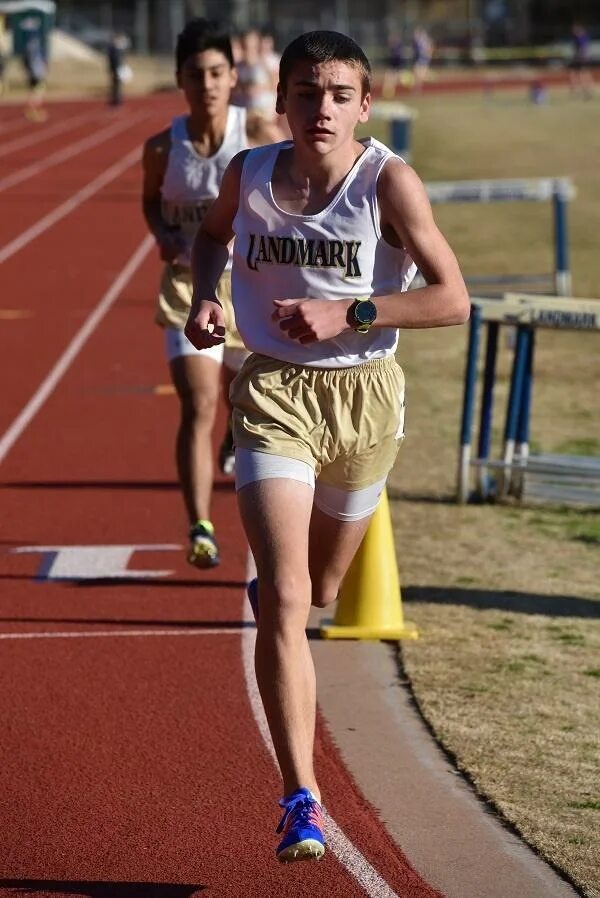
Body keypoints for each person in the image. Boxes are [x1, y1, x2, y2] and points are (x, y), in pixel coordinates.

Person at [185, 30, 469, 859]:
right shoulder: (251, 175)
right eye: (307, 93)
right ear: (281, 101)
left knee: (321, 594)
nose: (322, 109)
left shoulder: (390, 182)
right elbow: (210, 236)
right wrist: (207, 299)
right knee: (283, 592)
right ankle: (300, 796)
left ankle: (286, 606)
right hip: (273, 388)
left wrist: (354, 311)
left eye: (340, 95)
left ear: (365, 105)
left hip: (365, 398)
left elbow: (453, 299)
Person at [141, 18, 279, 569]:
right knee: (198, 404)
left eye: (218, 73)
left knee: (244, 401)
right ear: (181, 79)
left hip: (248, 286)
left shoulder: (259, 136)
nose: (208, 85)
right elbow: (150, 201)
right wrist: (165, 235)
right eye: (197, 74)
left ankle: (232, 444)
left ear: (232, 76)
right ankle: (200, 524)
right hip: (186, 288)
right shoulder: (160, 148)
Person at [569, 23, 594, 99]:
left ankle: (586, 89)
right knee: (577, 73)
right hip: (579, 58)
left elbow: (583, 48)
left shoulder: (581, 37)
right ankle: (581, 89)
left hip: (580, 58)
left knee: (582, 73)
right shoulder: (580, 37)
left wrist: (583, 57)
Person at [106, 32, 130, 107]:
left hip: (118, 69)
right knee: (114, 85)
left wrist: (119, 70)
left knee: (117, 86)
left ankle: (117, 101)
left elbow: (119, 61)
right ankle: (115, 100)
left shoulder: (118, 50)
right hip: (114, 69)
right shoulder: (113, 49)